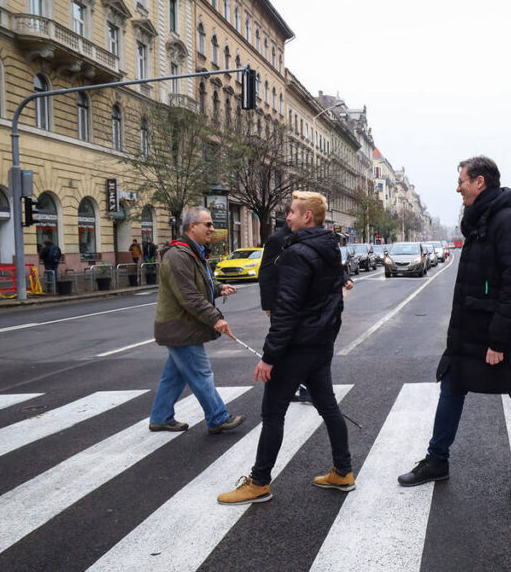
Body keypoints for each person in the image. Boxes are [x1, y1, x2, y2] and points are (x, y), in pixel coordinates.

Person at [397, 156, 511, 500]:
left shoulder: (507, 221)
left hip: (501, 334)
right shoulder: (482, 219)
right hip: (471, 331)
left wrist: (498, 340)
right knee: (451, 386)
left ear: (480, 182)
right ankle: (438, 459)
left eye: (462, 181)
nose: (458, 187)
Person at [218, 192, 357, 505]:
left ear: (307, 216)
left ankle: (259, 481)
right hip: (319, 344)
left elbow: (287, 309)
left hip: (295, 347)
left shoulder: (297, 253)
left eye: (292, 212)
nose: (287, 218)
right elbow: (332, 300)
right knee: (328, 407)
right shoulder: (329, 247)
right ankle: (343, 471)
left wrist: (269, 357)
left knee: (273, 413)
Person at [149, 206, 245, 436]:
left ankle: (161, 418)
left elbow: (202, 282)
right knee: (201, 373)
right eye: (208, 224)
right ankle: (218, 417)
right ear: (192, 227)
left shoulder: (192, 252)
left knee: (175, 375)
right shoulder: (177, 255)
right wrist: (216, 319)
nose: (212, 229)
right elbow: (189, 295)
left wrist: (220, 288)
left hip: (181, 325)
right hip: (180, 326)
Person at [259, 217, 311, 405]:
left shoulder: (300, 237)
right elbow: (265, 272)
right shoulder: (277, 239)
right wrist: (268, 305)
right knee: (291, 346)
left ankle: (285, 387)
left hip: (295, 301)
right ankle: (300, 389)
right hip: (281, 302)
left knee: (291, 347)